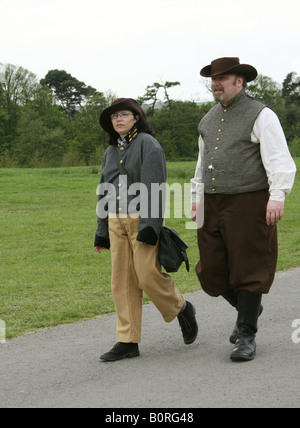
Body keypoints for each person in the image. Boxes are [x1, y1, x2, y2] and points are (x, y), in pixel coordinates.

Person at [191, 57, 296, 362]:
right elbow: (202, 161)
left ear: (240, 81)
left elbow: (279, 158)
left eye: (222, 77)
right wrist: (196, 197)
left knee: (249, 267)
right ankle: (248, 306)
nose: (216, 83)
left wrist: (277, 196)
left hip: (249, 200)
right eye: (213, 78)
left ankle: (246, 335)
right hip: (212, 201)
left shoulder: (261, 114)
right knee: (210, 269)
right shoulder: (208, 119)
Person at [94, 98, 198, 362]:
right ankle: (127, 341)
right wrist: (102, 230)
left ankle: (182, 308)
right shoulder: (110, 151)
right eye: (114, 116)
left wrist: (151, 225)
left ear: (136, 118)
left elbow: (155, 188)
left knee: (147, 275)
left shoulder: (148, 145)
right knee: (122, 283)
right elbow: (105, 190)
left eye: (124, 115)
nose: (118, 119)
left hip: (142, 219)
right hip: (116, 221)